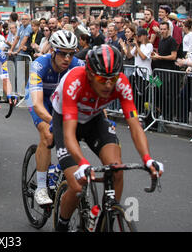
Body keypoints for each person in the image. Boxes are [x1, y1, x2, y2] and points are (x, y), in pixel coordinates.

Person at [51, 44, 164, 232]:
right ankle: (62, 224)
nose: (109, 85)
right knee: (78, 186)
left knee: (116, 169)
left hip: (94, 119)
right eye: (102, 79)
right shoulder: (74, 81)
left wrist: (147, 158)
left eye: (112, 78)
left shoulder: (120, 82)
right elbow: (69, 134)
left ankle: (108, 218)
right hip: (66, 121)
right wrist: (83, 163)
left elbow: (135, 125)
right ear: (89, 73)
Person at [25, 30, 84, 206]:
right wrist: (55, 123)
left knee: (75, 134)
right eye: (63, 53)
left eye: (71, 54)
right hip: (41, 99)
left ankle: (57, 169)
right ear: (53, 51)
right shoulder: (39, 65)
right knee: (48, 135)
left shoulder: (78, 65)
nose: (67, 58)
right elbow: (36, 104)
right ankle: (41, 188)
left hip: (61, 100)